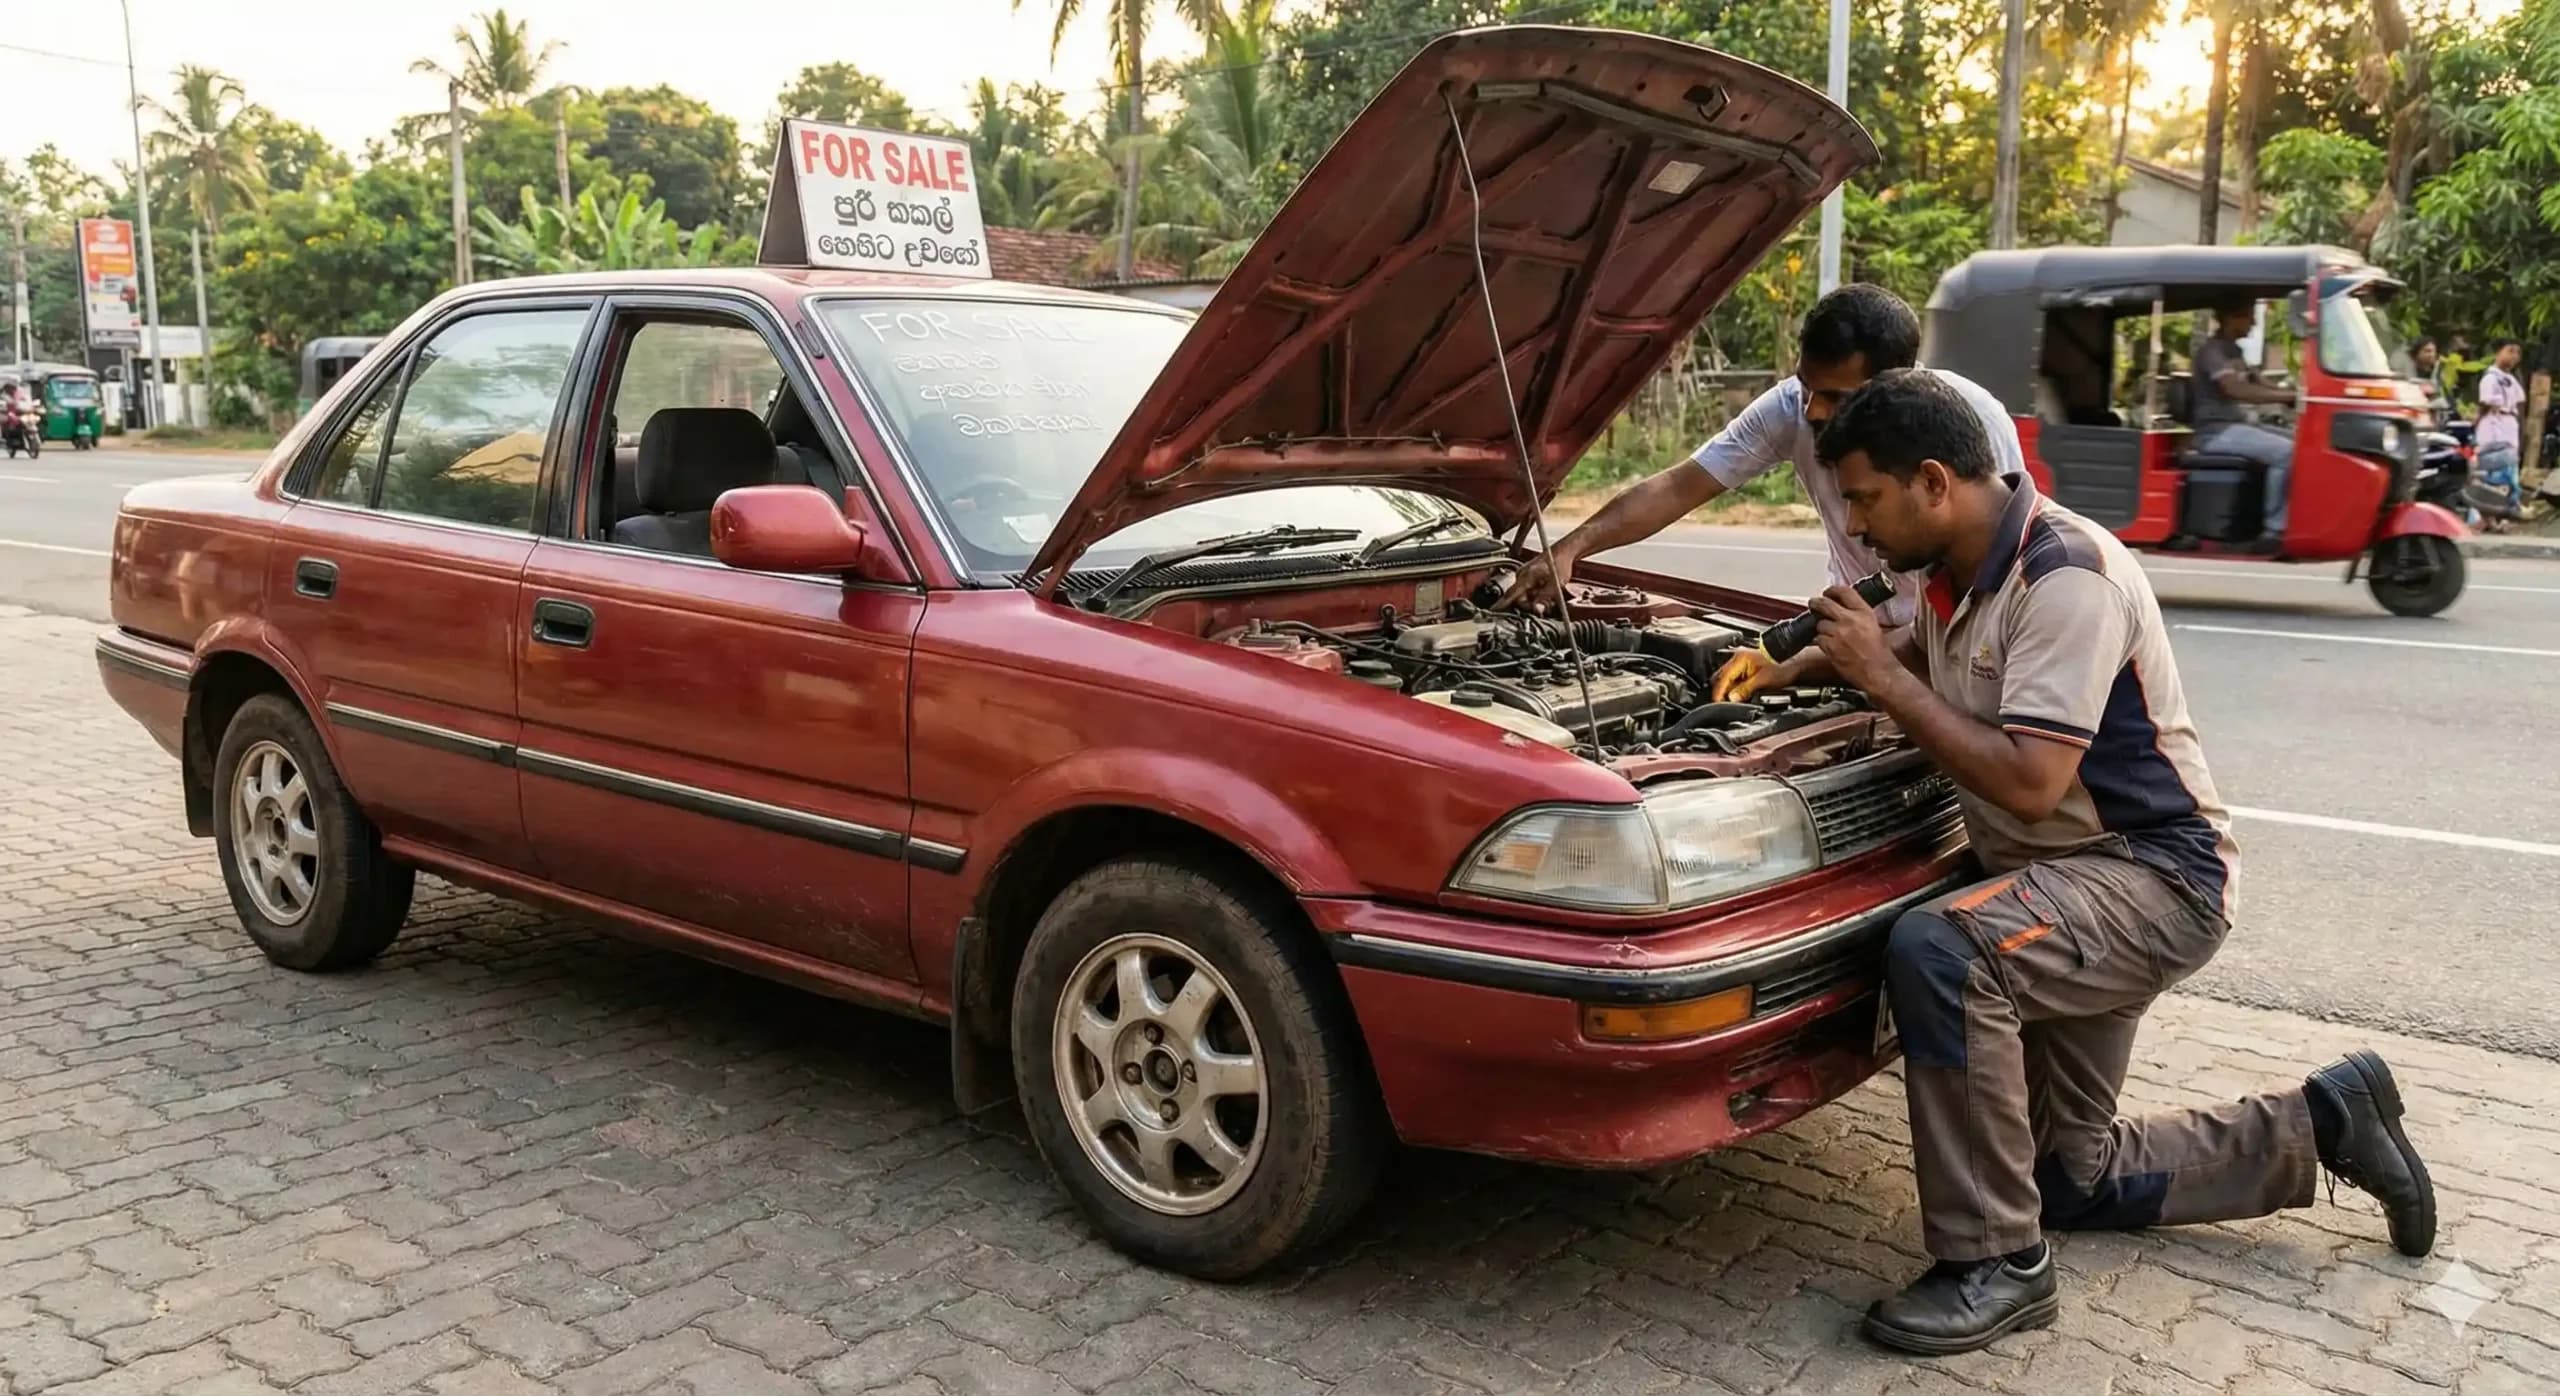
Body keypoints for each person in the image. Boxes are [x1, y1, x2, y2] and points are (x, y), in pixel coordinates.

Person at [1792, 371, 2435, 1356]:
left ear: (1932, 483)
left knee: (1945, 951)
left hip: (2150, 879)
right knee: (2069, 1179)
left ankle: (1993, 1265)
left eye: (1866, 499)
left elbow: (2028, 780)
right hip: (2065, 881)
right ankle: (2327, 1121)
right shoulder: (1954, 572)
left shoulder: (2065, 576)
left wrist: (1881, 678)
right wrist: (1801, 666)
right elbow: (1927, 673)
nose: (1858, 526)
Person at [1494, 284, 2025, 700]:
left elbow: (1992, 575)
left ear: (1896, 382)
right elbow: (1683, 483)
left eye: (1835, 397)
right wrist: (1571, 548)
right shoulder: (1792, 408)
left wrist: (1899, 670)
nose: (1812, 410)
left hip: (1947, 654)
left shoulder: (1969, 422)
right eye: (1806, 386)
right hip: (1853, 640)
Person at [2190, 300, 2295, 548]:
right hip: (2216, 432)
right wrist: (2287, 397)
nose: (2254, 323)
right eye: (2249, 317)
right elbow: (2234, 389)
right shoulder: (2212, 352)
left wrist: (2297, 393)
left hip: (2237, 426)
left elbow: (2259, 382)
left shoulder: (2235, 351)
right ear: (2230, 318)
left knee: (2303, 444)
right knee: (2286, 453)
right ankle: (2274, 530)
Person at [2474, 338, 2526, 524]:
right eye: (2510, 351)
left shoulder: (2511, 379)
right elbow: (2485, 403)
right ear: (2498, 352)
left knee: (2509, 468)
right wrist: (2476, 422)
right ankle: (2489, 515)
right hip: (2494, 424)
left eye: (2517, 353)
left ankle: (2506, 509)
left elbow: (2519, 403)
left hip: (2509, 424)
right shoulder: (2490, 377)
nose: (2514, 356)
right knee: (2493, 469)